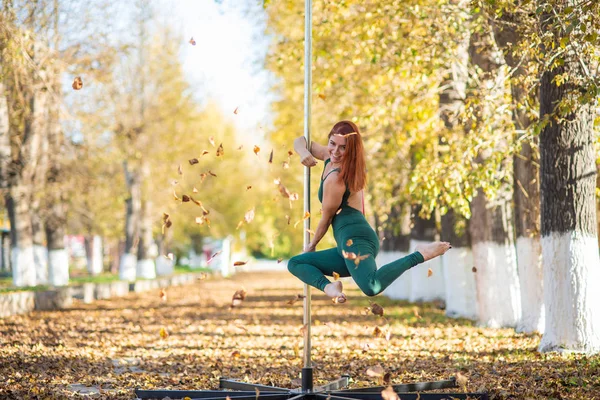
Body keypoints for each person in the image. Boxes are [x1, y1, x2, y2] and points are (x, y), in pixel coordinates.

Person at [288, 120, 451, 303]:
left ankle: (420, 255)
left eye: (343, 148)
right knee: (296, 263)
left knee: (371, 286)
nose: (335, 151)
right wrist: (303, 152)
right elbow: (301, 140)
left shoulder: (337, 178)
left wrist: (311, 246)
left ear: (351, 150)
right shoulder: (330, 155)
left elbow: (326, 218)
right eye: (332, 143)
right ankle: (330, 287)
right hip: (347, 242)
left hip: (356, 239)